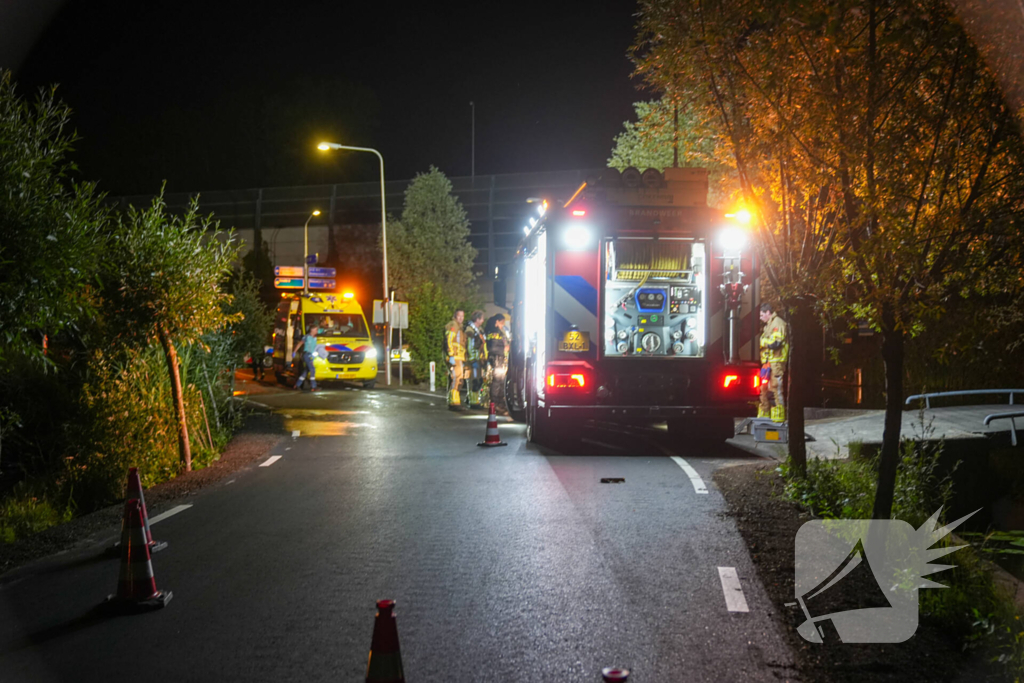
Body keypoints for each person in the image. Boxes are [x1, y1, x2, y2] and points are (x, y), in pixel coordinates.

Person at [759, 302, 789, 422]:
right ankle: (764, 414)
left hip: (776, 362)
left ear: (768, 313)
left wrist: (763, 342)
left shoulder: (778, 323)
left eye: (762, 315)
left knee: (776, 388)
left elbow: (775, 343)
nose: (760, 318)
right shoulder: (768, 325)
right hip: (767, 363)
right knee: (763, 389)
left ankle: (779, 415)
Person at [484, 313, 510, 412]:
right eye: (501, 322)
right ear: (497, 322)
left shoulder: (497, 331)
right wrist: (505, 348)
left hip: (499, 358)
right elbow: (494, 347)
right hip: (497, 358)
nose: (503, 325)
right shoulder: (495, 333)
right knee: (497, 380)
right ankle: (495, 403)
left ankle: (499, 402)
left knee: (501, 380)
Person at [465, 310, 488, 409]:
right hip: (473, 360)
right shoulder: (470, 331)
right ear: (477, 319)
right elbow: (470, 347)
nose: (483, 321)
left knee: (478, 380)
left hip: (478, 359)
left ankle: (470, 398)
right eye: (482, 319)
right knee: (474, 381)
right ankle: (473, 402)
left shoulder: (479, 330)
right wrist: (473, 360)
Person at [444, 309, 467, 410]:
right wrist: (451, 355)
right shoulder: (454, 326)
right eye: (459, 316)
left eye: (462, 316)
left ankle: (453, 401)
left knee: (457, 379)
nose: (461, 318)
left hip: (459, 356)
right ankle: (454, 402)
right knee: (456, 378)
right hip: (455, 356)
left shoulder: (459, 327)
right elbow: (449, 340)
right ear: (455, 316)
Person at [294, 324, 321, 392]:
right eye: (316, 330)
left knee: (306, 371)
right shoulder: (306, 337)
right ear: (312, 330)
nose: (317, 331)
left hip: (311, 356)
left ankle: (297, 385)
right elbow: (300, 344)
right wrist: (294, 351)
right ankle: (313, 386)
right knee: (312, 369)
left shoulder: (315, 338)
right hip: (306, 355)